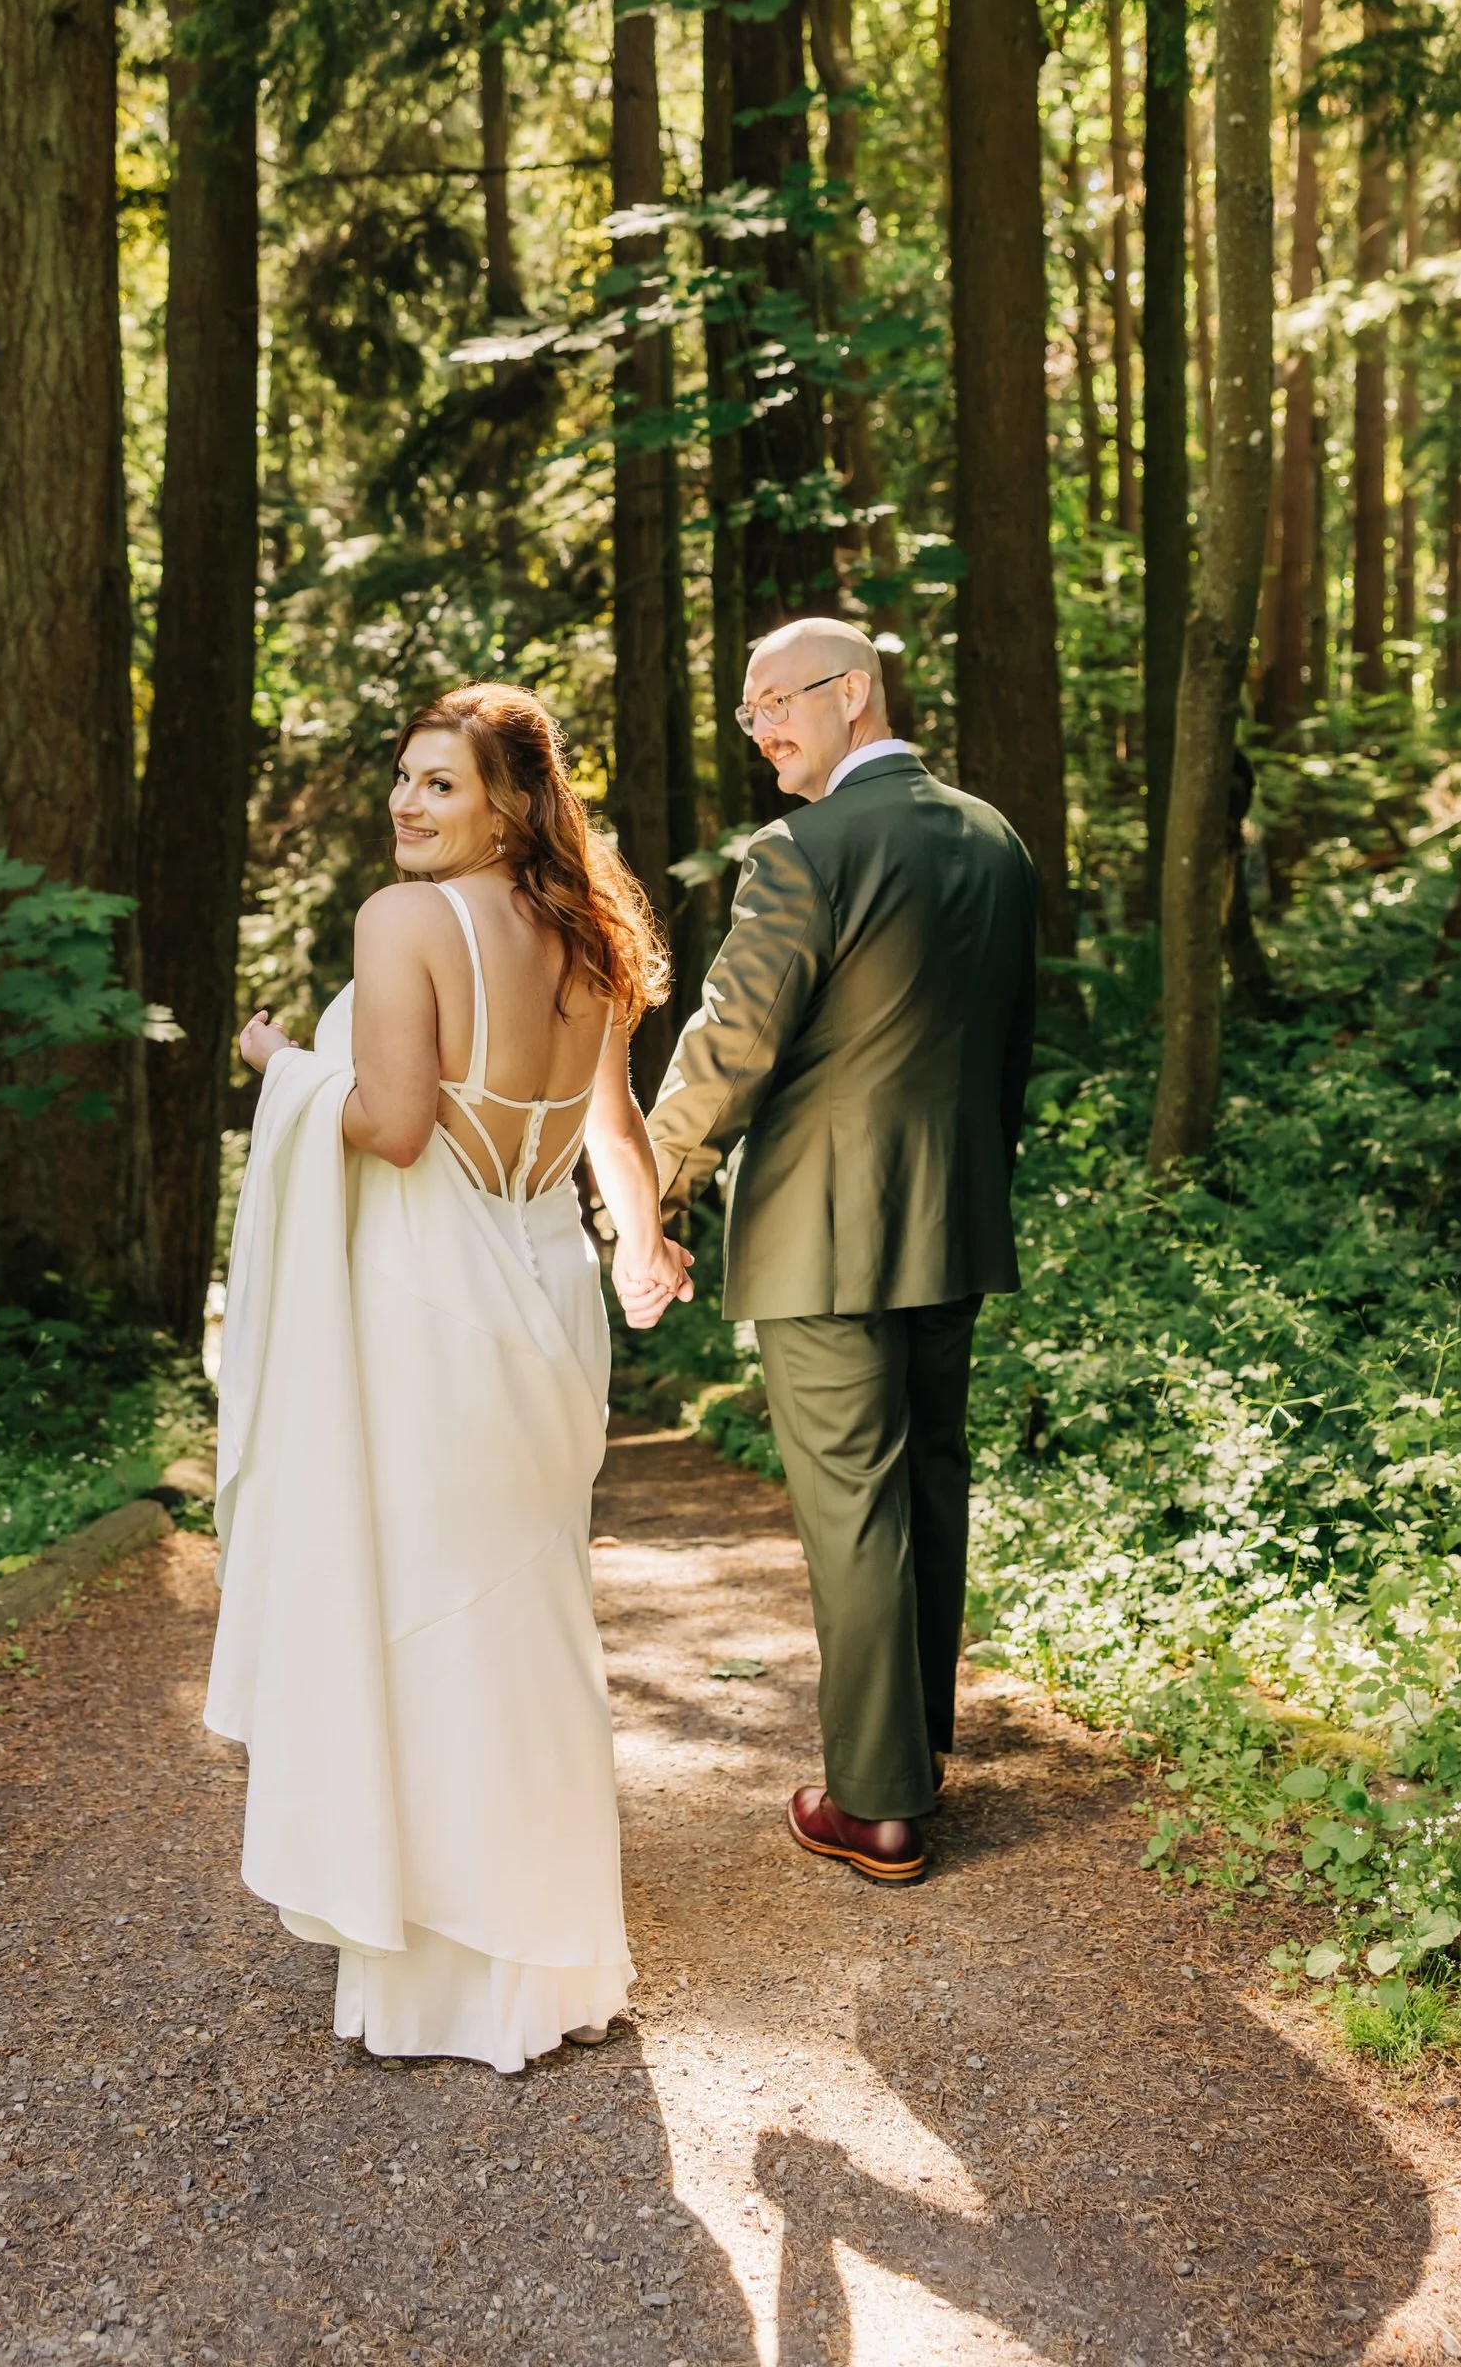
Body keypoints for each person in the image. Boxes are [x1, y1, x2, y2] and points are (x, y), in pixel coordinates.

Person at [205, 683, 689, 2072]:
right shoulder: (588, 939)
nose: (409, 807)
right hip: (546, 1299)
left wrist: (286, 1065)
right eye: (405, 781)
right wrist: (643, 1254)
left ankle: (441, 1972)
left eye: (440, 785)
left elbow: (397, 1129)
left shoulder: (404, 923)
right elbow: (614, 1132)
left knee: (426, 1622)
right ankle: (549, 1962)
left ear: (508, 804)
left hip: (432, 1308)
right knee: (527, 1619)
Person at [637, 618, 1037, 1887]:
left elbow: (727, 1049)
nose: (761, 730)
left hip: (822, 1230)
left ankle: (874, 1807)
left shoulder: (800, 852)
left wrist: (651, 1195)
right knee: (926, 1482)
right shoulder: (994, 839)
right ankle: (914, 1750)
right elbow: (1005, 1051)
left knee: (855, 1509)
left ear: (854, 694)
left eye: (777, 703)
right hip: (956, 1215)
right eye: (748, 713)